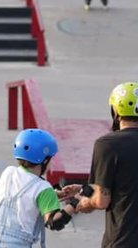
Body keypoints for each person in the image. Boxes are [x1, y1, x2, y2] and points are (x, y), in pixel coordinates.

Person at [59, 82, 138, 246]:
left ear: (115, 111)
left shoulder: (108, 144)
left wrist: (80, 201)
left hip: (123, 240)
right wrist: (83, 189)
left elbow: (101, 200)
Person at [0, 128, 78, 247]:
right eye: (50, 159)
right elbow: (54, 222)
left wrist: (52, 195)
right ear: (43, 161)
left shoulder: (8, 173)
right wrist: (76, 203)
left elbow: (23, 195)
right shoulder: (43, 188)